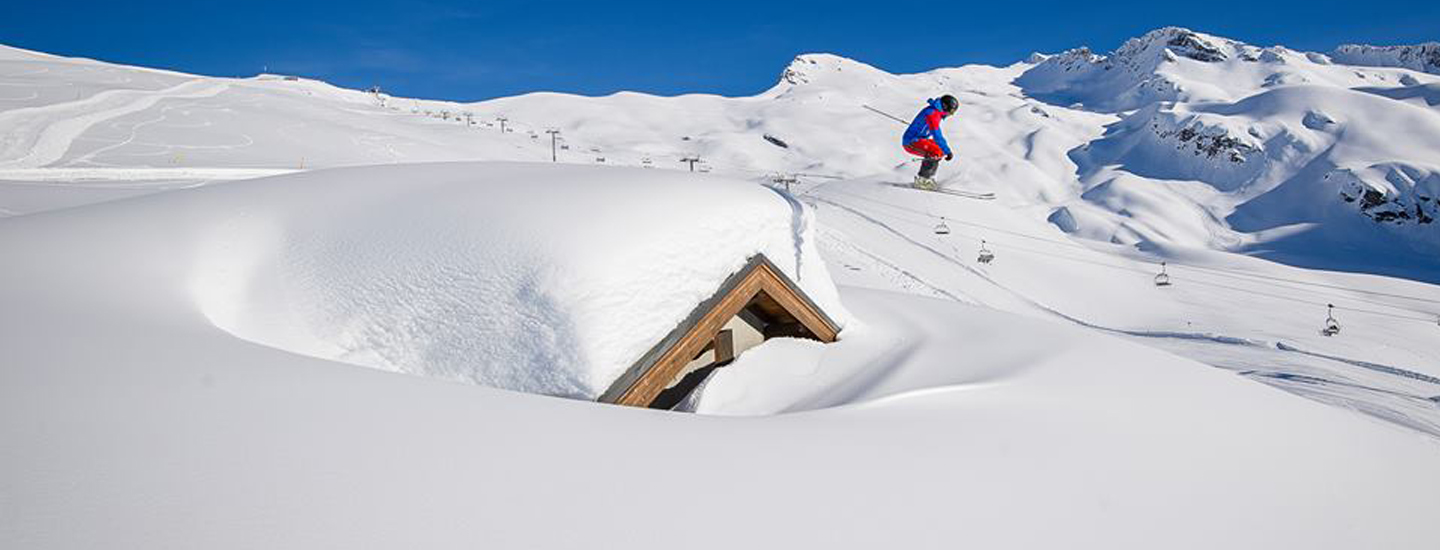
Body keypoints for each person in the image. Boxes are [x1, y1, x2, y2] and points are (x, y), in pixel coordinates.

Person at [902, 95, 959, 190]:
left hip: (919, 139)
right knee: (935, 151)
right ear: (945, 106)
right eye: (951, 111)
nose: (950, 114)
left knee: (939, 150)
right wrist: (947, 151)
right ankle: (923, 180)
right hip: (911, 141)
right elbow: (937, 135)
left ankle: (928, 178)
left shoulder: (935, 113)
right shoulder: (933, 114)